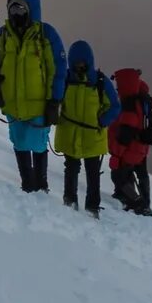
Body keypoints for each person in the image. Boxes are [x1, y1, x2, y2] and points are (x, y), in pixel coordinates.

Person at [0, 0, 67, 195]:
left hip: (39, 103)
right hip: (12, 101)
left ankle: (41, 184)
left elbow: (58, 69)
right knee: (18, 141)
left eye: (20, 8)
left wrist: (55, 100)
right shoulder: (3, 34)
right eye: (12, 8)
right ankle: (27, 183)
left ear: (31, 11)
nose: (16, 13)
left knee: (37, 144)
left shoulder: (46, 35)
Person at [51, 40, 121, 215]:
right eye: (76, 62)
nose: (79, 66)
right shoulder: (69, 79)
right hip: (74, 135)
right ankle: (70, 202)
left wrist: (102, 121)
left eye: (82, 62)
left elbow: (114, 106)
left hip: (89, 135)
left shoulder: (98, 81)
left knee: (92, 174)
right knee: (73, 170)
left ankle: (92, 207)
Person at [108, 69, 152, 216]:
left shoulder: (130, 104)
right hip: (142, 147)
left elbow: (125, 133)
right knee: (141, 174)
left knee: (118, 175)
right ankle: (145, 201)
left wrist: (116, 154)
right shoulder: (143, 99)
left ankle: (138, 203)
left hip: (131, 148)